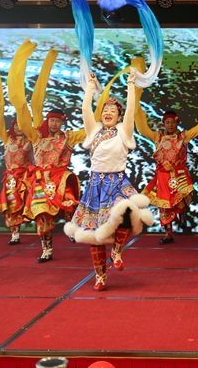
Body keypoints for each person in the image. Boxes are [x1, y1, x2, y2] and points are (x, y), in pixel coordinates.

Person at [64, 71, 154, 291]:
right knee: (94, 235)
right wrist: (90, 86)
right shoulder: (93, 131)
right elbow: (86, 109)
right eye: (105, 110)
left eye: (113, 111)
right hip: (96, 186)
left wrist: (131, 84)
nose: (108, 113)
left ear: (119, 117)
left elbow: (131, 110)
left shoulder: (124, 132)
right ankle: (100, 276)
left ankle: (117, 251)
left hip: (118, 183)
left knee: (127, 213)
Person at [135, 56, 198, 244]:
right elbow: (142, 128)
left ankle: (182, 215)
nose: (170, 124)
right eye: (167, 122)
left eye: (172, 122)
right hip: (163, 177)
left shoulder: (184, 136)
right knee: (164, 206)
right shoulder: (157, 137)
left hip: (180, 174)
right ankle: (168, 233)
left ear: (176, 123)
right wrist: (136, 109)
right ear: (163, 124)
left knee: (181, 201)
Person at [21, 108, 83, 262]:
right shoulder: (37, 136)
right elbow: (23, 124)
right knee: (42, 214)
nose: (54, 124)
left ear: (62, 122)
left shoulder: (68, 137)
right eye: (52, 120)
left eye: (58, 121)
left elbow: (88, 130)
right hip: (41, 180)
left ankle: (71, 228)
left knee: (69, 205)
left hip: (61, 178)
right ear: (47, 121)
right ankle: (47, 250)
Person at [0, 119, 34, 246]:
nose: (19, 127)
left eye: (21, 125)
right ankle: (15, 235)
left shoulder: (32, 138)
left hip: (27, 177)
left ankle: (43, 232)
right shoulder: (7, 138)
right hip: (11, 179)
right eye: (16, 125)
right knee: (12, 206)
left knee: (34, 203)